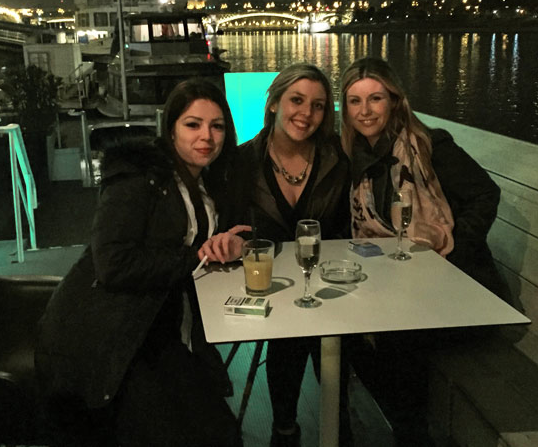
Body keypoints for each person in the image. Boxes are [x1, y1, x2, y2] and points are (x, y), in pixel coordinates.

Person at [34, 78, 247, 447]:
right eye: (193, 124)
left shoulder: (209, 183)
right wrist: (194, 256)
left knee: (219, 431)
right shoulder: (138, 178)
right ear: (171, 129)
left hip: (161, 327)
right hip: (114, 333)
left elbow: (234, 230)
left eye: (217, 126)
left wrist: (237, 242)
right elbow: (112, 264)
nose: (207, 137)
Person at [339, 56, 509, 446]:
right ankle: (348, 430)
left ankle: (412, 437)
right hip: (400, 290)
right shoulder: (356, 160)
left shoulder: (429, 147)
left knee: (396, 340)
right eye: (354, 101)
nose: (365, 111)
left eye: (375, 99)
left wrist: (448, 247)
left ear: (395, 101)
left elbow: (486, 195)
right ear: (345, 110)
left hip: (458, 294)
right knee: (342, 336)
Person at [203, 64, 351, 447]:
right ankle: (290, 426)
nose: (306, 114)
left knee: (329, 340)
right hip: (268, 282)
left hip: (325, 281)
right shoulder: (239, 163)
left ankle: (320, 425)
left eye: (318, 105)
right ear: (273, 103)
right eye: (296, 100)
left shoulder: (338, 159)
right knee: (290, 340)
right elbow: (228, 222)